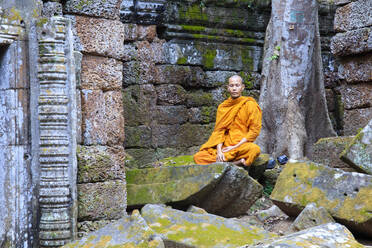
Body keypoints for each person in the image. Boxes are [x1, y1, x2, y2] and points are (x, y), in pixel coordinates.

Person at [193, 75, 262, 167]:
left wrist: (235, 146)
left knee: (254, 150)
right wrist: (219, 151)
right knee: (199, 156)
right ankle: (235, 163)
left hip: (241, 145)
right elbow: (219, 131)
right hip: (225, 146)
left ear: (242, 87)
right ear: (227, 88)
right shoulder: (223, 106)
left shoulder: (250, 105)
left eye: (237, 85)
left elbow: (254, 130)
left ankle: (225, 163)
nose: (234, 88)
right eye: (231, 86)